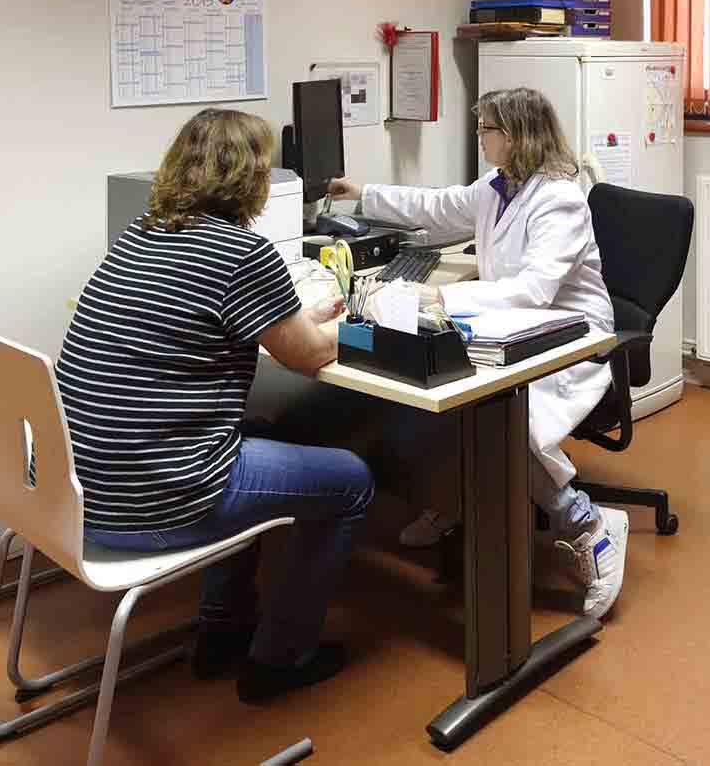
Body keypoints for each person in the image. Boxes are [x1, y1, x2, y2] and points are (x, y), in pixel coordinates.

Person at [56, 108, 369, 705]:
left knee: (255, 426)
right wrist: (358, 325)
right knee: (352, 480)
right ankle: (280, 659)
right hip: (159, 502)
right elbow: (306, 357)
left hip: (79, 494)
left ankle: (223, 628)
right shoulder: (243, 252)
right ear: (249, 179)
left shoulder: (141, 233)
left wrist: (297, 323)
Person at [325, 86, 629, 619]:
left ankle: (591, 527)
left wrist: (442, 294)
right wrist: (361, 193)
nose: (479, 136)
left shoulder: (559, 198)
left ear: (513, 136)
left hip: (568, 334)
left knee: (507, 420)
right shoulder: (497, 186)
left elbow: (535, 289)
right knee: (434, 384)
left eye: (485, 128)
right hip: (503, 321)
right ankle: (452, 498)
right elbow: (438, 206)